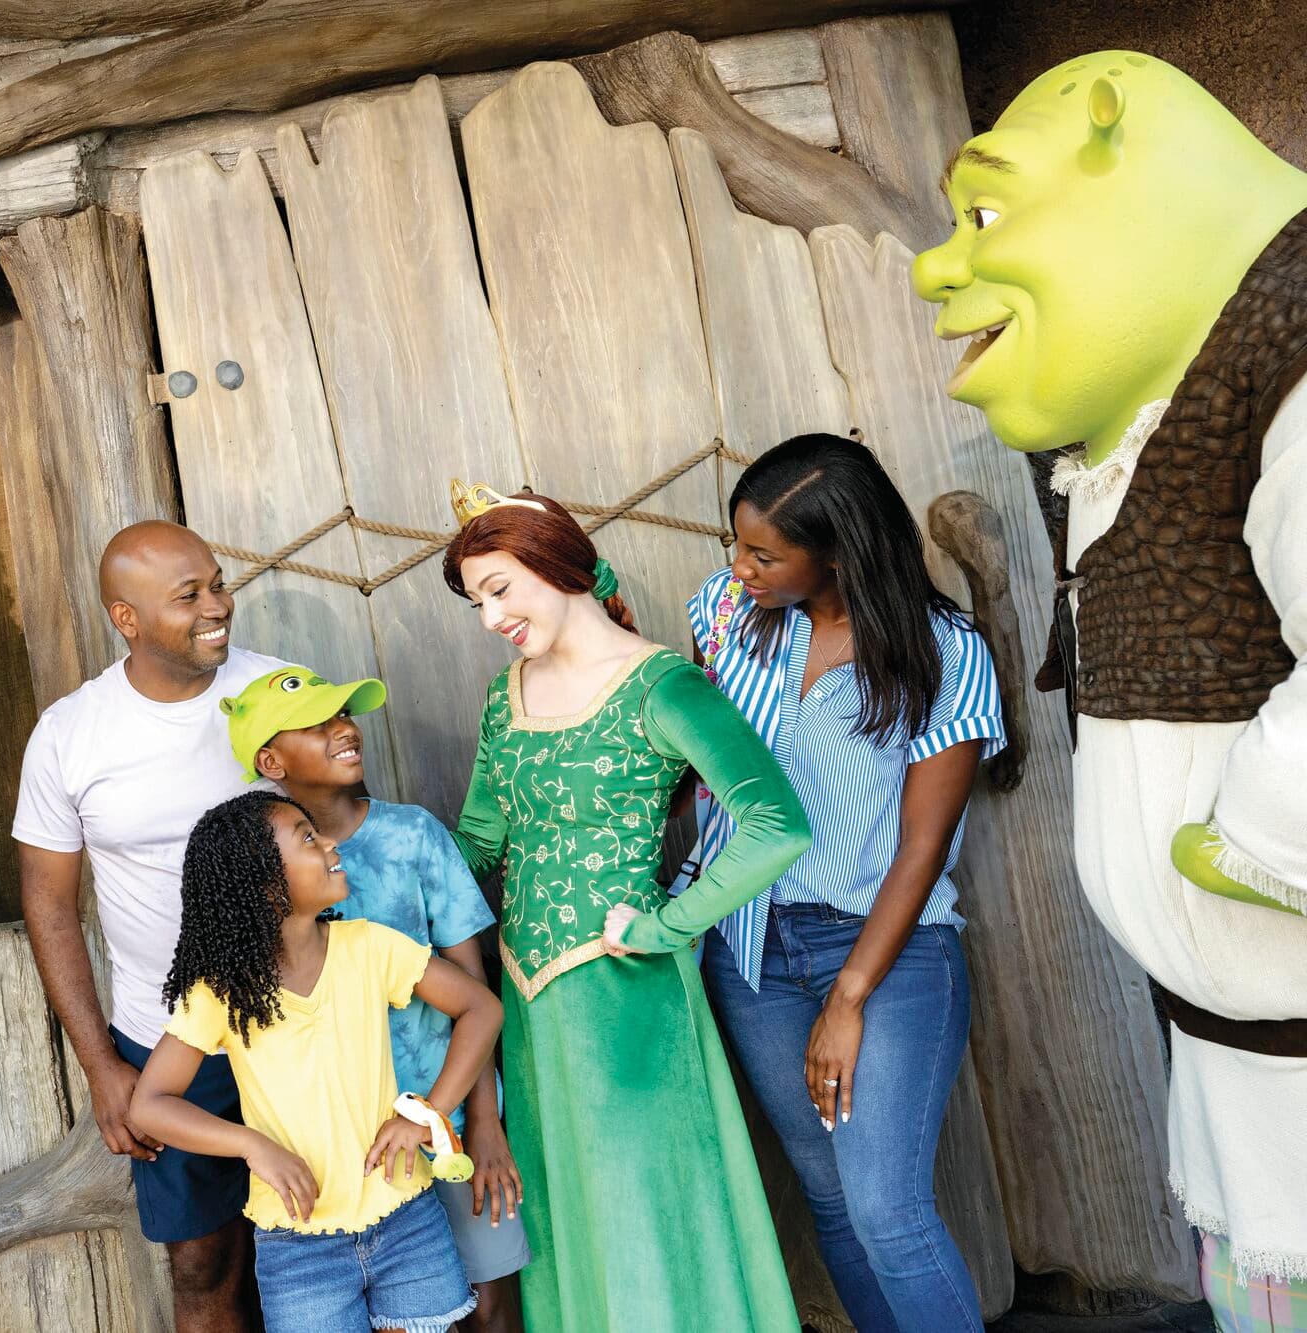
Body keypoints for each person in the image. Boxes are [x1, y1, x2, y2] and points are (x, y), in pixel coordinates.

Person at [916, 53, 1307, 1315]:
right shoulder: (1148, 410)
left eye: (981, 216)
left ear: (1112, 139)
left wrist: (1247, 843)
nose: (935, 267)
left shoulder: (1289, 338)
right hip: (1238, 1062)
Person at [443, 480, 811, 1331]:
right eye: (476, 601)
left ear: (557, 563)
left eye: (499, 589)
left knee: (642, 1206)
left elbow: (777, 823)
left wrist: (667, 926)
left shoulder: (664, 685)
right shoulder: (505, 696)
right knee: (563, 1210)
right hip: (526, 1005)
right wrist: (371, 892)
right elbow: (479, 844)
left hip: (624, 994)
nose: (489, 618)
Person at [688, 435, 1005, 1332]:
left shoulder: (941, 650)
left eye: (764, 553)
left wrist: (850, 997)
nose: (738, 566)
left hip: (883, 949)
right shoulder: (727, 610)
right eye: (736, 543)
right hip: (748, 950)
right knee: (828, 1198)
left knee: (888, 1212)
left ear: (836, 554)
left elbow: (923, 843)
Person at [12, 521, 285, 1331]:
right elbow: (50, 902)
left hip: (299, 1022)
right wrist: (101, 1065)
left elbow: (343, 835)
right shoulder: (70, 734)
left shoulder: (278, 694)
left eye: (218, 582)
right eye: (190, 595)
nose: (219, 607)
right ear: (125, 618)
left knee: (337, 1228)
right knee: (204, 1261)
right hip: (168, 1039)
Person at [222, 663, 532, 1330]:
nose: (343, 729)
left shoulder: (414, 835)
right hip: (346, 1152)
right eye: (317, 723)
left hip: (445, 1110)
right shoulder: (261, 877)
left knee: (488, 1299)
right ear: (270, 759)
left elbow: (472, 991)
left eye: (344, 715)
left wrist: (483, 1119)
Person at [130, 791, 503, 1333]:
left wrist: (427, 1114)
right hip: (296, 1244)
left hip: (407, 1218)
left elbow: (481, 1007)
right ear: (263, 883)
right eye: (307, 838)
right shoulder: (221, 994)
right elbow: (150, 1104)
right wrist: (251, 1145)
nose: (330, 844)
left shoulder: (370, 947)